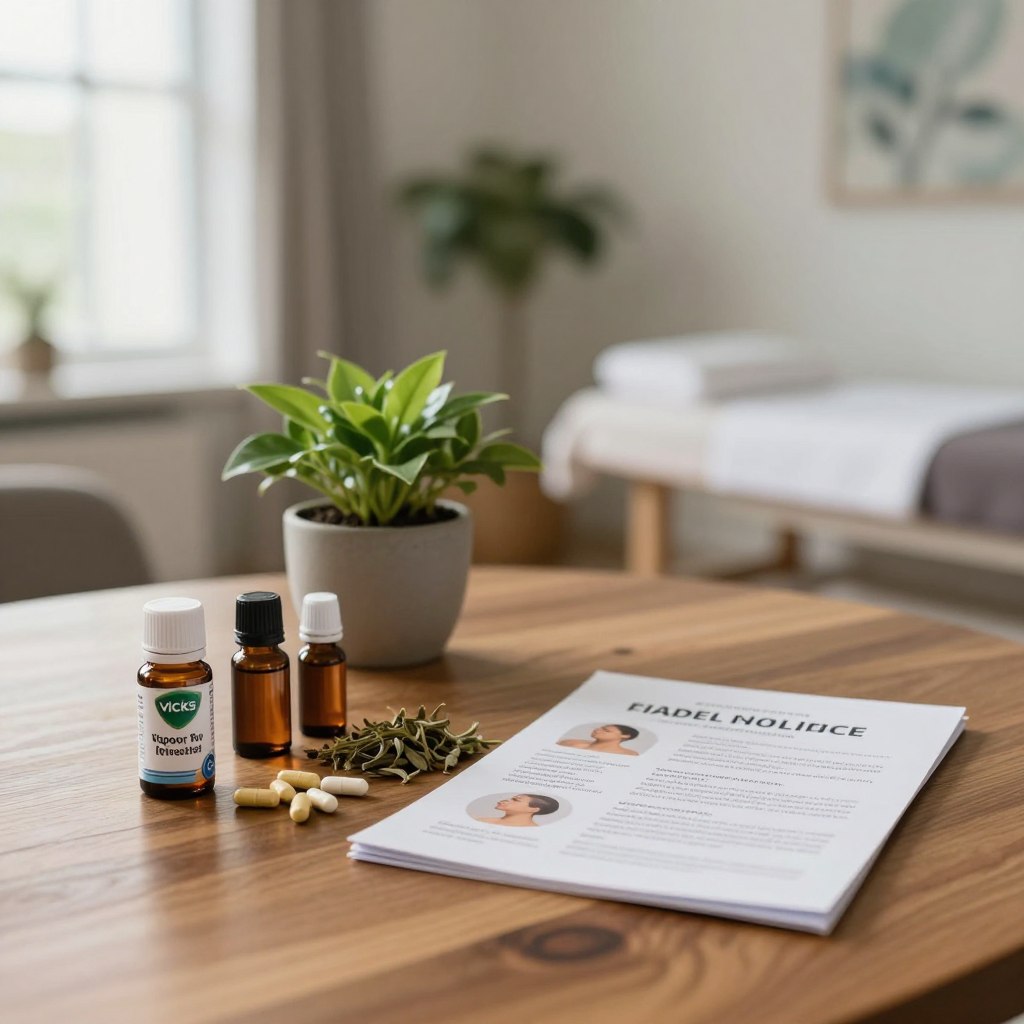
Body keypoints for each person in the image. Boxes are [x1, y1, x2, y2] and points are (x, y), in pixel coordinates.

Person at [475, 793, 560, 827]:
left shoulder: (535, 830)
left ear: (534, 809)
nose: (504, 800)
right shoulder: (482, 820)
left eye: (515, 800)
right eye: (511, 799)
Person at [557, 723, 640, 756]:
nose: (597, 730)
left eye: (606, 730)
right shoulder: (568, 743)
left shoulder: (630, 754)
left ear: (625, 736)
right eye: (600, 728)